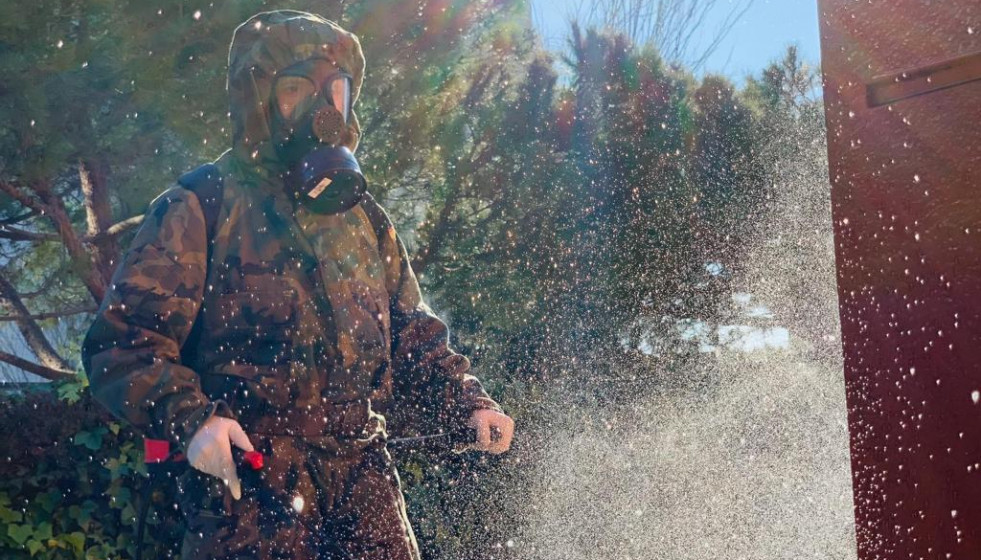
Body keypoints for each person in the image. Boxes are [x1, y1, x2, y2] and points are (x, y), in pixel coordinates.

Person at [81, 10, 514, 560]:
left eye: (335, 92)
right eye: (297, 89)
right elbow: (123, 342)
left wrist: (467, 403)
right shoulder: (201, 206)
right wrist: (194, 422)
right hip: (247, 490)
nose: (321, 112)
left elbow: (410, 331)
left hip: (362, 474)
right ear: (259, 98)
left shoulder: (365, 220)